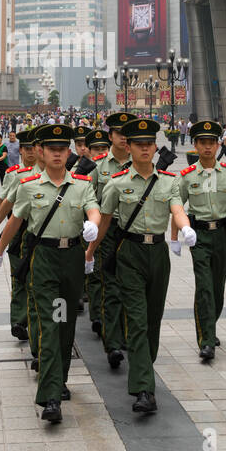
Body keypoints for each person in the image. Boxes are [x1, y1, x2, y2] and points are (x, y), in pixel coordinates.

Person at [0, 124, 100, 424]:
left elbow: (94, 209)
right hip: (45, 260)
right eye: (51, 149)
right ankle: (50, 396)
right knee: (50, 323)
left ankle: (59, 378)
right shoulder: (30, 185)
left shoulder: (81, 184)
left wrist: (92, 224)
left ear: (68, 152)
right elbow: (16, 219)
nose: (56, 154)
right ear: (42, 152)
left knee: (65, 322)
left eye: (61, 149)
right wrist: (0, 250)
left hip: (72, 259)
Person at [86, 118, 194, 414]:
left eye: (149, 144)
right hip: (129, 253)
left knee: (152, 320)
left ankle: (144, 362)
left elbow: (177, 209)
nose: (145, 149)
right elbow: (105, 221)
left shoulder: (169, 182)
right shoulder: (116, 183)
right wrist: (90, 253)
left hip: (157, 253)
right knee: (136, 318)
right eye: (139, 144)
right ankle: (144, 389)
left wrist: (184, 229)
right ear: (129, 147)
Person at [171, 121, 226, 361]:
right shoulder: (187, 177)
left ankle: (210, 325)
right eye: (202, 143)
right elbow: (177, 207)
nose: (207, 147)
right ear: (195, 145)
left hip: (222, 235)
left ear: (218, 145)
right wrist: (175, 237)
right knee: (205, 287)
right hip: (198, 235)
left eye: (211, 143)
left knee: (218, 287)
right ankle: (206, 340)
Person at [91, 112, 135, 368]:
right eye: (119, 133)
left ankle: (127, 334)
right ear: (111, 136)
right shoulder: (98, 167)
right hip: (109, 232)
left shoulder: (142, 163)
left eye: (128, 134)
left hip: (133, 234)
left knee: (131, 288)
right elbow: (90, 199)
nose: (124, 138)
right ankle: (113, 343)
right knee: (111, 288)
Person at [0, 127, 38, 346]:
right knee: (19, 276)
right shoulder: (14, 174)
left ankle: (36, 320)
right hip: (19, 230)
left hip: (40, 230)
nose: (30, 153)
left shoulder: (51, 172)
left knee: (37, 280)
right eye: (26, 149)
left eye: (33, 148)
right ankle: (19, 321)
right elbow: (3, 201)